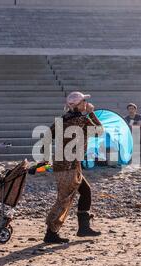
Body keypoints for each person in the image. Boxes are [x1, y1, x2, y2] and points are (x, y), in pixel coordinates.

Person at [44, 91, 104, 244]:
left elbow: (46, 136)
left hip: (62, 164)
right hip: (69, 166)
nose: (86, 104)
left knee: (85, 191)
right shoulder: (81, 120)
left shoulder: (62, 119)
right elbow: (99, 130)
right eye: (84, 101)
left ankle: (83, 228)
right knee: (64, 200)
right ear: (78, 105)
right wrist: (92, 113)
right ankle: (51, 232)